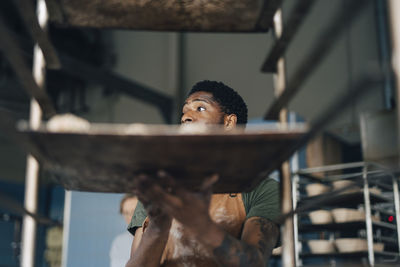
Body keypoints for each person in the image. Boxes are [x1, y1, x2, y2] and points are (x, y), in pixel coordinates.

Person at [126, 80, 280, 267]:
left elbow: (255, 263)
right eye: (184, 112)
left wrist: (199, 224)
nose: (186, 118)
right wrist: (158, 227)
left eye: (200, 108)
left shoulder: (261, 188)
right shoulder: (159, 187)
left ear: (229, 122)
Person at [110, 194, 138, 267]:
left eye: (133, 211)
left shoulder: (161, 239)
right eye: (126, 213)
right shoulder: (119, 242)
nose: (130, 217)